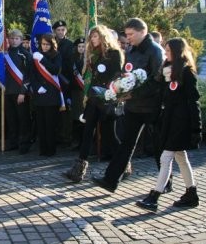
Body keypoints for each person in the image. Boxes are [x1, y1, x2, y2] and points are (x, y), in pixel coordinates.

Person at [92, 18, 165, 193]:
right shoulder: (131, 50)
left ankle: (166, 181)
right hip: (133, 106)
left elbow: (157, 80)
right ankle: (111, 180)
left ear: (142, 32)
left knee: (159, 146)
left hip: (152, 107)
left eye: (131, 34)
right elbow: (126, 73)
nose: (128, 38)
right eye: (127, 34)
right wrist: (119, 88)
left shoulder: (155, 51)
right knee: (126, 143)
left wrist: (134, 93)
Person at [136, 38, 202, 211]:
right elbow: (162, 98)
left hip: (181, 122)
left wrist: (197, 128)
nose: (165, 54)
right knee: (181, 157)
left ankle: (154, 196)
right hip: (168, 120)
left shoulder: (186, 72)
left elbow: (193, 101)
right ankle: (191, 194)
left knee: (165, 158)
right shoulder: (166, 72)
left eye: (168, 51)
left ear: (177, 52)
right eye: (165, 51)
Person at [64, 25, 123, 182]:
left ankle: (124, 164)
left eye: (95, 36)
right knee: (87, 131)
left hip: (107, 97)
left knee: (110, 135)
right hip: (93, 97)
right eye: (91, 37)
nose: (92, 40)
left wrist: (108, 92)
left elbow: (117, 75)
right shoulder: (93, 54)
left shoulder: (114, 53)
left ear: (103, 37)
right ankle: (78, 169)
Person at [31, 33, 63, 156]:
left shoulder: (57, 55)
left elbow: (55, 70)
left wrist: (43, 60)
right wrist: (37, 87)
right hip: (39, 94)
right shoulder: (36, 56)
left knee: (50, 124)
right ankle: (43, 149)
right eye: (43, 44)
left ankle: (51, 149)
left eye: (47, 44)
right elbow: (32, 74)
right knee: (41, 124)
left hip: (51, 94)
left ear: (52, 45)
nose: (44, 46)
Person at [5, 29, 32, 153]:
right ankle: (13, 142)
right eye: (12, 38)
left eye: (17, 38)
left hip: (20, 93)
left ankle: (24, 143)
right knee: (11, 119)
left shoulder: (25, 55)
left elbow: (28, 76)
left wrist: (22, 92)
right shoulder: (4, 54)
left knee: (23, 119)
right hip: (7, 91)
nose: (14, 41)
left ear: (21, 40)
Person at [53, 20, 74, 146]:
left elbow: (70, 64)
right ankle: (56, 135)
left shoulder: (70, 44)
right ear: (54, 31)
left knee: (66, 110)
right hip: (53, 80)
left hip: (65, 81)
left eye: (63, 30)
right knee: (55, 109)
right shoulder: (51, 42)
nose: (61, 32)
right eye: (58, 30)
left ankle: (66, 137)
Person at [70, 37, 87, 149]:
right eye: (79, 46)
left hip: (85, 91)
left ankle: (84, 141)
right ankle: (76, 140)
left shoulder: (88, 59)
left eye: (83, 47)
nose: (81, 48)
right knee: (76, 116)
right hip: (76, 91)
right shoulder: (73, 59)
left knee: (85, 117)